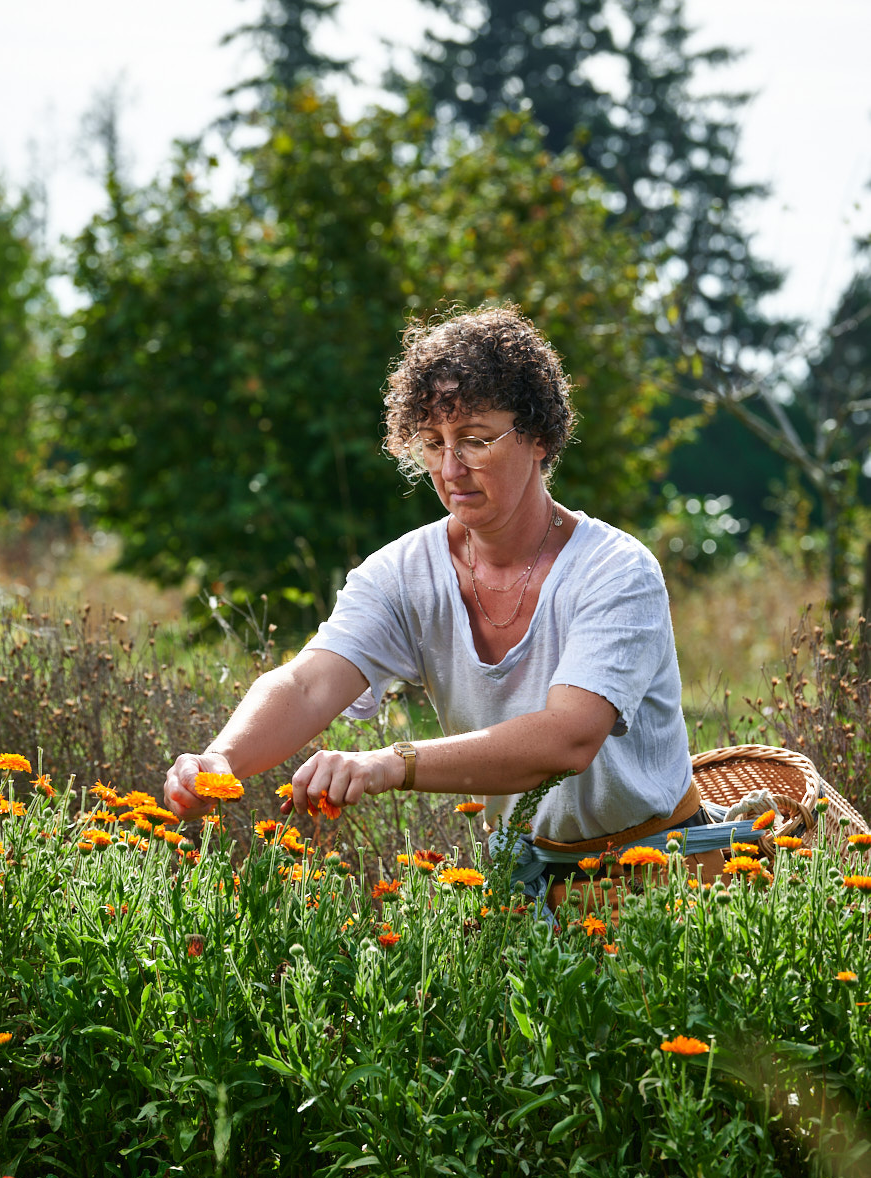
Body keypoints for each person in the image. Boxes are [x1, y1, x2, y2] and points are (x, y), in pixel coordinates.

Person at [164, 304, 722, 910]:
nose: (451, 468)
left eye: (476, 440)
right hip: (525, 884)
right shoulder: (405, 572)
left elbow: (568, 739)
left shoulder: (616, 571)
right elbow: (306, 684)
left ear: (539, 437)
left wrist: (389, 763)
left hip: (666, 884)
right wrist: (222, 757)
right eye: (433, 443)